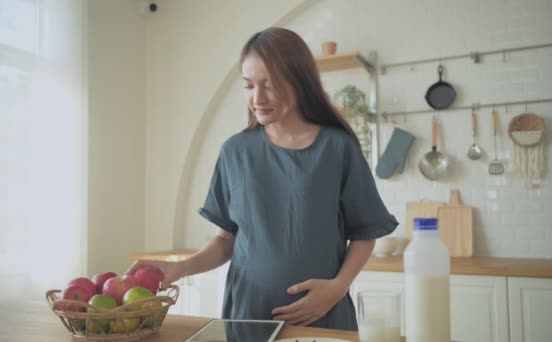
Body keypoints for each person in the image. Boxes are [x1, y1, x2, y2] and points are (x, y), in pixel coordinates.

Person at [126, 27, 398, 331]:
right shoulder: (235, 151)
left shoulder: (337, 148)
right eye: (249, 85)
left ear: (299, 82)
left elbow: (365, 232)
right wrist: (180, 268)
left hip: (322, 315)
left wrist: (337, 288)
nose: (257, 98)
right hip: (247, 316)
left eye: (270, 85)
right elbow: (224, 239)